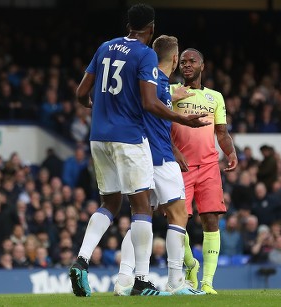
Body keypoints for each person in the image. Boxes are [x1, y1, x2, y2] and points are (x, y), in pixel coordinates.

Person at [69, 4, 208, 298]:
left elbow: (82, 93)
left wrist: (98, 110)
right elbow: (149, 103)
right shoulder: (145, 54)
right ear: (152, 27)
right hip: (129, 138)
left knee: (109, 203)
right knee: (142, 207)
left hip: (98, 137)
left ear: (128, 23)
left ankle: (81, 261)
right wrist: (183, 118)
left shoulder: (105, 47)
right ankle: (142, 280)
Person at [113, 35, 205, 296]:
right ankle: (176, 280)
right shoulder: (160, 85)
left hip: (141, 159)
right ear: (175, 59)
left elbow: (153, 120)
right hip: (161, 160)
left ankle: (123, 280)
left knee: (140, 219)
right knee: (179, 215)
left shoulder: (144, 84)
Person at [171, 48, 238, 294]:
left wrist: (230, 152)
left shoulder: (215, 97)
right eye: (184, 62)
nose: (187, 65)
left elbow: (221, 132)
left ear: (202, 66)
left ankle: (208, 282)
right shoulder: (170, 92)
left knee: (211, 220)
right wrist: (173, 150)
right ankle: (191, 264)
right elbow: (159, 125)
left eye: (192, 61)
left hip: (209, 166)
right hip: (181, 167)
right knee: (177, 222)